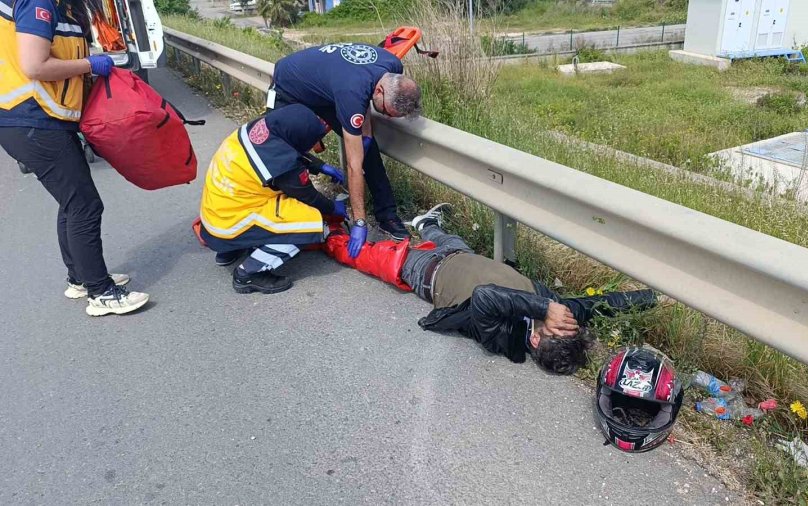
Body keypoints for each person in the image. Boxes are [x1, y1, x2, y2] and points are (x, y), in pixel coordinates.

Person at [323, 204, 658, 373]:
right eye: (567, 322)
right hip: (461, 253)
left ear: (539, 339)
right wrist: (652, 296)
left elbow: (485, 296)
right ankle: (427, 224)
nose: (564, 318)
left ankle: (325, 230)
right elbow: (599, 304)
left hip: (425, 271)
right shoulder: (559, 315)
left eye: (559, 326)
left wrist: (544, 308)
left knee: (366, 250)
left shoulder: (502, 339)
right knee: (442, 236)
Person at [0, 0, 148, 315]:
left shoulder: (60, 7)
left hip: (43, 119)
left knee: (72, 202)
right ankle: (102, 292)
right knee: (84, 204)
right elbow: (34, 65)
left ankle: (80, 278)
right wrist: (89, 65)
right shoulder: (38, 2)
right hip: (31, 120)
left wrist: (88, 63)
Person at [270, 42, 423, 251]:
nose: (386, 117)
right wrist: (359, 222)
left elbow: (366, 96)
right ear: (380, 90)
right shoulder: (351, 91)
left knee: (369, 153)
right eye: (386, 112)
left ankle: (387, 215)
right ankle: (285, 217)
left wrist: (366, 139)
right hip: (290, 84)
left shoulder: (393, 65)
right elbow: (353, 166)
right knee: (282, 153)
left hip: (331, 84)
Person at [199, 104, 349, 294]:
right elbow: (307, 195)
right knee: (308, 222)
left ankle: (230, 250)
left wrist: (319, 166)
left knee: (263, 198)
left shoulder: (256, 129)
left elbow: (285, 149)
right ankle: (249, 273)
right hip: (231, 223)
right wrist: (332, 207)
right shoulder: (279, 163)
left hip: (215, 216)